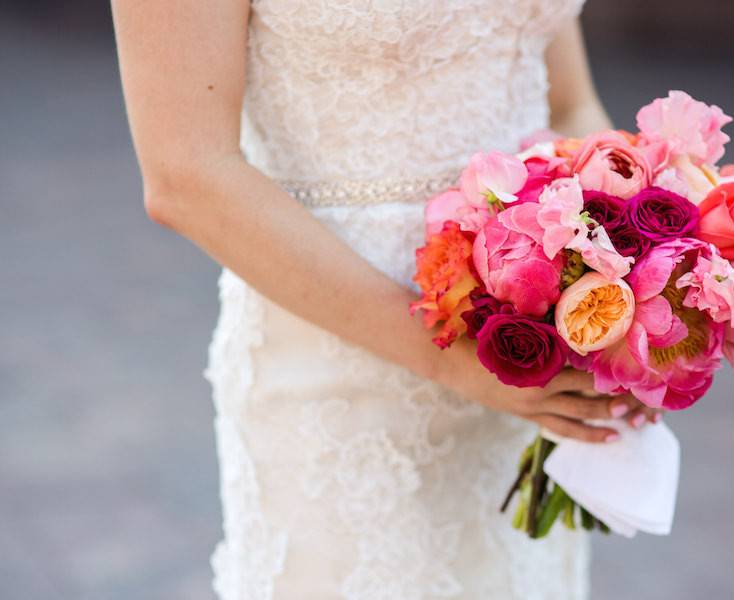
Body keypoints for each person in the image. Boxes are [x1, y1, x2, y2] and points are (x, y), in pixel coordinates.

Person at [112, 1, 658, 597]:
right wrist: (445, 359)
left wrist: (631, 275)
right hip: (342, 372)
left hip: (532, 353)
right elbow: (185, 176)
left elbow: (566, 101)